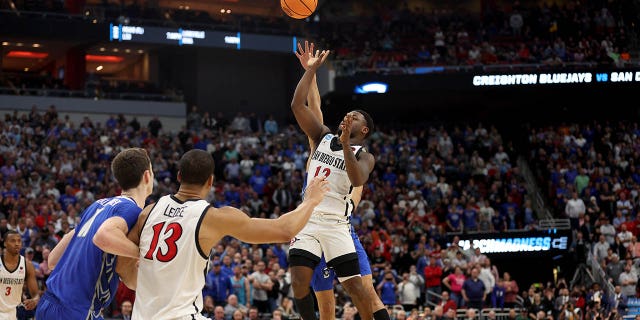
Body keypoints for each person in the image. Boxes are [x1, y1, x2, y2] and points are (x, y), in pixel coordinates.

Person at [116, 149, 329, 319]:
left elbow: (123, 266)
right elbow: (285, 231)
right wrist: (311, 200)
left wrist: (148, 283)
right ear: (211, 181)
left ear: (179, 176)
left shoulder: (148, 212)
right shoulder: (213, 217)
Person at [295, 41, 390, 320]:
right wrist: (310, 71)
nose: (348, 116)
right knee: (325, 304)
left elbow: (355, 193)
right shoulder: (320, 142)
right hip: (311, 225)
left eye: (355, 116)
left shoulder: (361, 158)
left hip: (339, 226)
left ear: (363, 129)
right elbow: (314, 105)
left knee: (367, 290)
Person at [36, 148, 154, 320]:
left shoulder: (97, 205)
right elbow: (103, 236)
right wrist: (143, 254)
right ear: (147, 176)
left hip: (48, 304)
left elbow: (53, 259)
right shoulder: (131, 209)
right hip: (77, 310)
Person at [0, 231, 40, 320]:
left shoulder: (27, 265)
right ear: (5, 243)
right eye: (13, 241)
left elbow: (36, 294)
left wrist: (34, 301)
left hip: (16, 313)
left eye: (19, 241)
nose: (17, 244)